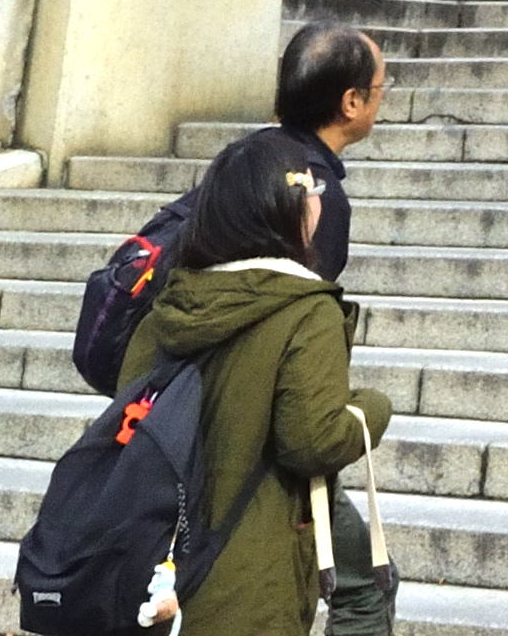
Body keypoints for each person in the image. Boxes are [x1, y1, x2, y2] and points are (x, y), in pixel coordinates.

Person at [123, 126, 390, 636]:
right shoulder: (306, 312)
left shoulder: (167, 310)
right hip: (249, 581)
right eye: (313, 191)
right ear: (289, 211)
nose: (319, 202)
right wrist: (371, 409)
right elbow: (313, 440)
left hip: (157, 575)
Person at [265, 20, 387, 278]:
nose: (382, 96)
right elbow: (307, 305)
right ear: (351, 101)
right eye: (379, 87)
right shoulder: (316, 194)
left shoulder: (242, 154)